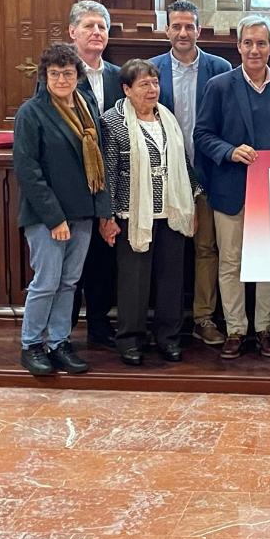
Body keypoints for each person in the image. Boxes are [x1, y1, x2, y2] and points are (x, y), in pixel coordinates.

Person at [194, 15, 270, 360]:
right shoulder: (220, 86)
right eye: (248, 43)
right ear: (238, 46)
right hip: (231, 190)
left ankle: (265, 328)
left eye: (262, 43)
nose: (255, 49)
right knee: (231, 262)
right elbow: (202, 135)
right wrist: (229, 151)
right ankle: (236, 329)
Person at [13, 43, 112, 376]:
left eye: (67, 73)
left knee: (69, 282)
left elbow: (99, 167)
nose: (60, 79)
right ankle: (32, 345)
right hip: (47, 217)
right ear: (44, 76)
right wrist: (54, 218)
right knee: (47, 282)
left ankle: (58, 342)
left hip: (82, 212)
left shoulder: (86, 108)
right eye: (54, 73)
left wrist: (103, 214)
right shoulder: (32, 112)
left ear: (77, 75)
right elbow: (28, 170)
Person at [99, 60, 197, 365]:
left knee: (171, 280)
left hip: (171, 211)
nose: (152, 89)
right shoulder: (112, 122)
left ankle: (168, 338)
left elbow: (182, 163)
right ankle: (130, 340)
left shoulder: (167, 118)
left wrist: (192, 202)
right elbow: (109, 173)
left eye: (154, 83)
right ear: (127, 89)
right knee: (134, 281)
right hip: (132, 215)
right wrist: (108, 217)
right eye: (143, 84)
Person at [149, 0, 232, 348]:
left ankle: (203, 316)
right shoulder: (150, 69)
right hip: (162, 176)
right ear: (167, 29)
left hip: (208, 172)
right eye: (176, 26)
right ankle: (160, 318)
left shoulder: (221, 68)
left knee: (206, 248)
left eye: (189, 26)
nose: (183, 32)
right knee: (163, 249)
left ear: (199, 29)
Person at [68, 0, 122, 348]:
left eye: (101, 26)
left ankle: (100, 327)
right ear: (72, 32)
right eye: (89, 26)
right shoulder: (61, 75)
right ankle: (62, 333)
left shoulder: (119, 77)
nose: (96, 32)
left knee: (104, 262)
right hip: (73, 184)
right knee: (71, 266)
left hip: (111, 185)